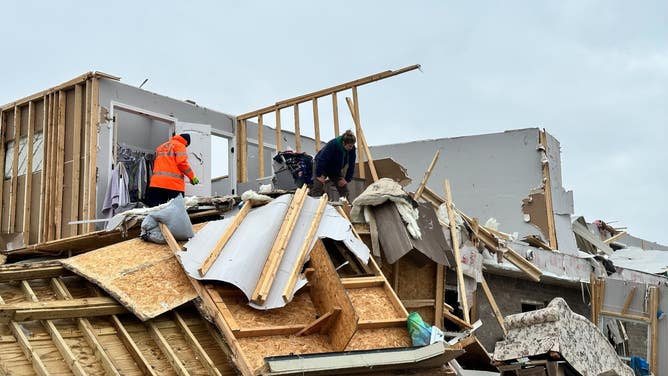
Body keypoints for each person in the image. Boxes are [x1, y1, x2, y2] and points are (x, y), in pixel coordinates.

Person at [146, 133, 199, 207]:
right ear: (186, 142)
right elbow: (182, 163)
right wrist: (192, 177)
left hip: (156, 183)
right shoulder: (180, 145)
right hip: (174, 185)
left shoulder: (160, 147)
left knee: (155, 211)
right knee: (177, 211)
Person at [311, 129, 356, 199]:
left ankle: (346, 207)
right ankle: (315, 205)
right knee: (318, 186)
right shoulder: (332, 145)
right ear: (344, 143)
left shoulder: (352, 149)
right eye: (350, 146)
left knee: (344, 189)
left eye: (352, 146)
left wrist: (346, 179)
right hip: (321, 166)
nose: (351, 148)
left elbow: (352, 164)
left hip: (335, 170)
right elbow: (321, 159)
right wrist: (319, 175)